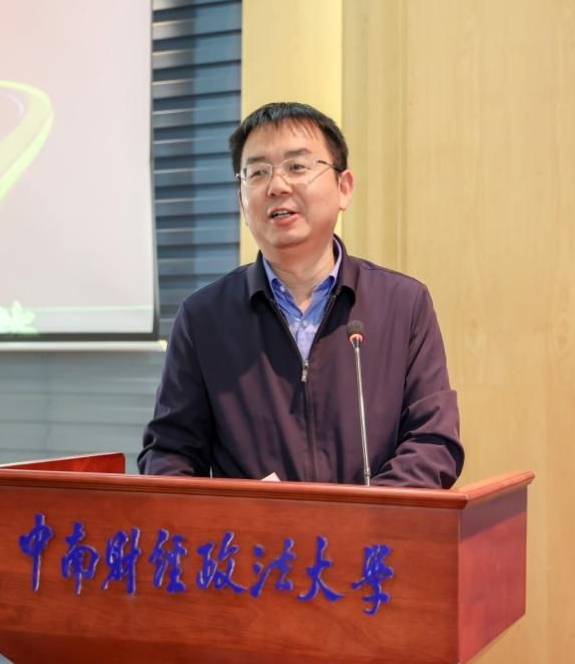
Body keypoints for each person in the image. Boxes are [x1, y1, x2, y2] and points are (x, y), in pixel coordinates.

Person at [137, 102, 463, 488]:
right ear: (242, 201)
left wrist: (363, 515)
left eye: (297, 166)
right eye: (258, 172)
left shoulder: (403, 304)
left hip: (376, 527)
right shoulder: (204, 318)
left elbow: (432, 442)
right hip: (251, 530)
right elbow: (170, 452)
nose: (277, 186)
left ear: (343, 188)